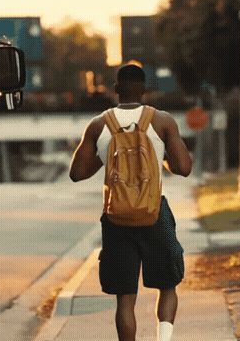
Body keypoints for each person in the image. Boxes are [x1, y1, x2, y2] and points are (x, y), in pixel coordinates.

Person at [69, 64, 192, 341]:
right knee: (168, 284)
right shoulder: (162, 121)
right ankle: (164, 338)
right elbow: (184, 168)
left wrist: (105, 157)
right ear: (144, 90)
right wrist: (161, 157)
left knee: (125, 298)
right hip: (154, 214)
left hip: (116, 219)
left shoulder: (99, 124)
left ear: (115, 90)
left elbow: (76, 173)